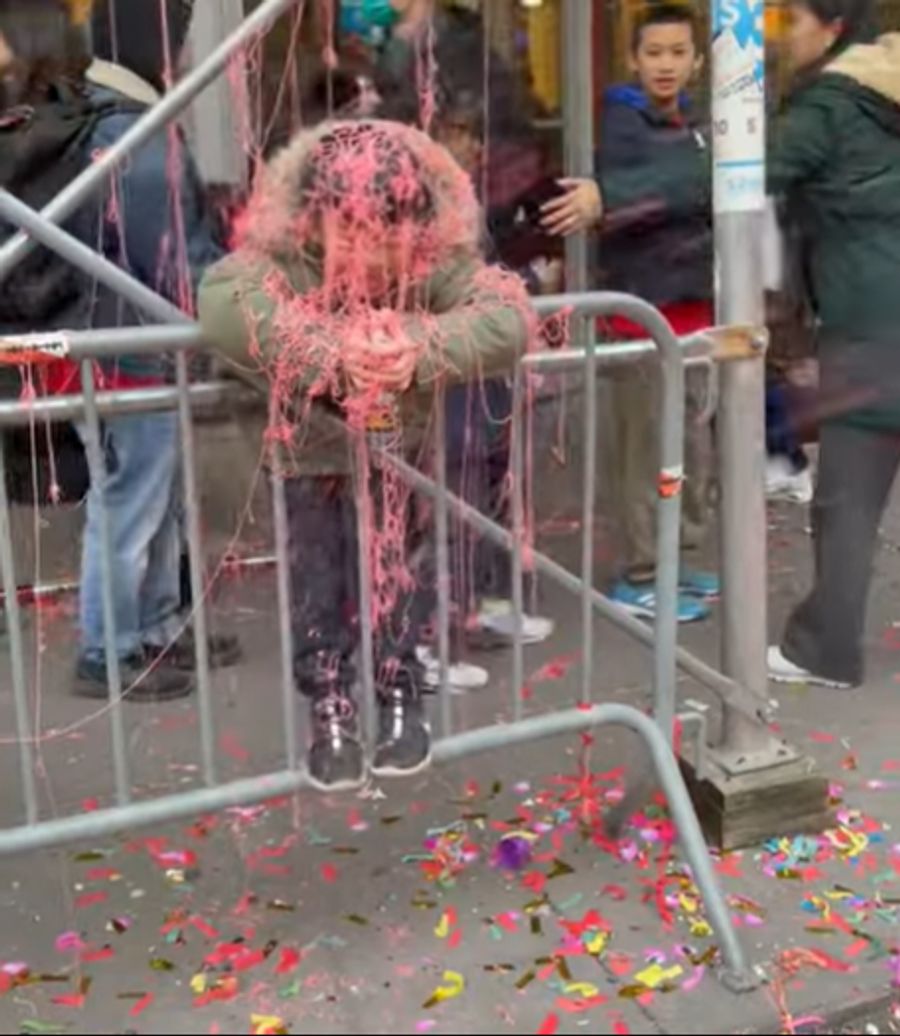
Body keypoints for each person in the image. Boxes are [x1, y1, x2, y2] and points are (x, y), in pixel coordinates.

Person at [198, 120, 534, 789]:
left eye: (389, 232)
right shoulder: (279, 256)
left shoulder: (433, 260)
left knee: (400, 589)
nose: (372, 250)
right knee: (318, 593)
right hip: (308, 462)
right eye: (350, 230)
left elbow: (506, 315)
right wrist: (336, 357)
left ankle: (402, 695)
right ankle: (331, 704)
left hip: (401, 460)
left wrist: (418, 350)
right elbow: (224, 301)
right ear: (310, 220)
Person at [0, 0, 233, 702]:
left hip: (104, 332)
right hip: (129, 336)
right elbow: (163, 250)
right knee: (131, 497)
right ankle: (110, 646)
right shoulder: (129, 124)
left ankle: (152, 626)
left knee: (150, 495)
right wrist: (219, 301)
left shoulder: (79, 112)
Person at [541, 2, 718, 623]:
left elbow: (705, 181)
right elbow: (658, 193)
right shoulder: (622, 120)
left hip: (695, 312)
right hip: (641, 314)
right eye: (654, 53)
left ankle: (675, 558)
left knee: (690, 447)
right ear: (634, 59)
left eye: (677, 53)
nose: (666, 65)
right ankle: (642, 571)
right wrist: (686, 185)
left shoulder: (699, 122)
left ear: (696, 60)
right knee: (645, 452)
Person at [765, 0, 900, 688]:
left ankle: (824, 648)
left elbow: (737, 178)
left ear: (832, 27)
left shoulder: (828, 107)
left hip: (874, 339)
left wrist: (611, 195)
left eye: (791, 19)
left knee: (847, 503)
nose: (782, 35)